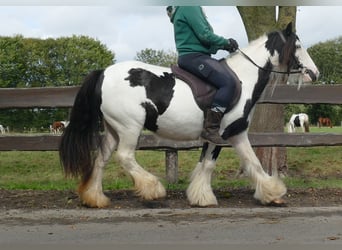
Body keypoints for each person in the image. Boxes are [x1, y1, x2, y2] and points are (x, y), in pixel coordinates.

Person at [167, 6, 239, 144]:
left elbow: (204, 41)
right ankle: (211, 129)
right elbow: (204, 35)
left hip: (196, 56)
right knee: (228, 83)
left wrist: (224, 46)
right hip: (195, 57)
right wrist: (226, 43)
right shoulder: (190, 7)